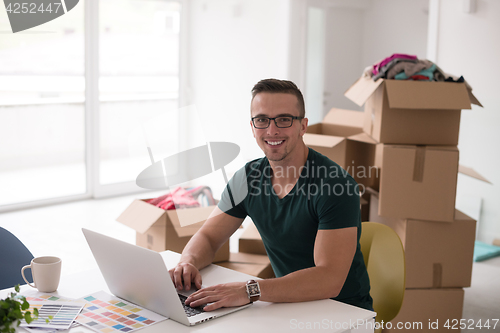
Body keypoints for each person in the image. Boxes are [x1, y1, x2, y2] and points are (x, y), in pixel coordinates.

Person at [169, 78, 372, 311]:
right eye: (262, 120)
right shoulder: (247, 179)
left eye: (284, 120)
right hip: (287, 304)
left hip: (344, 312)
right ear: (252, 126)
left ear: (303, 126)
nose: (272, 130)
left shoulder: (336, 185)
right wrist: (188, 262)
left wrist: (250, 290)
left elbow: (329, 279)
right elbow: (208, 237)